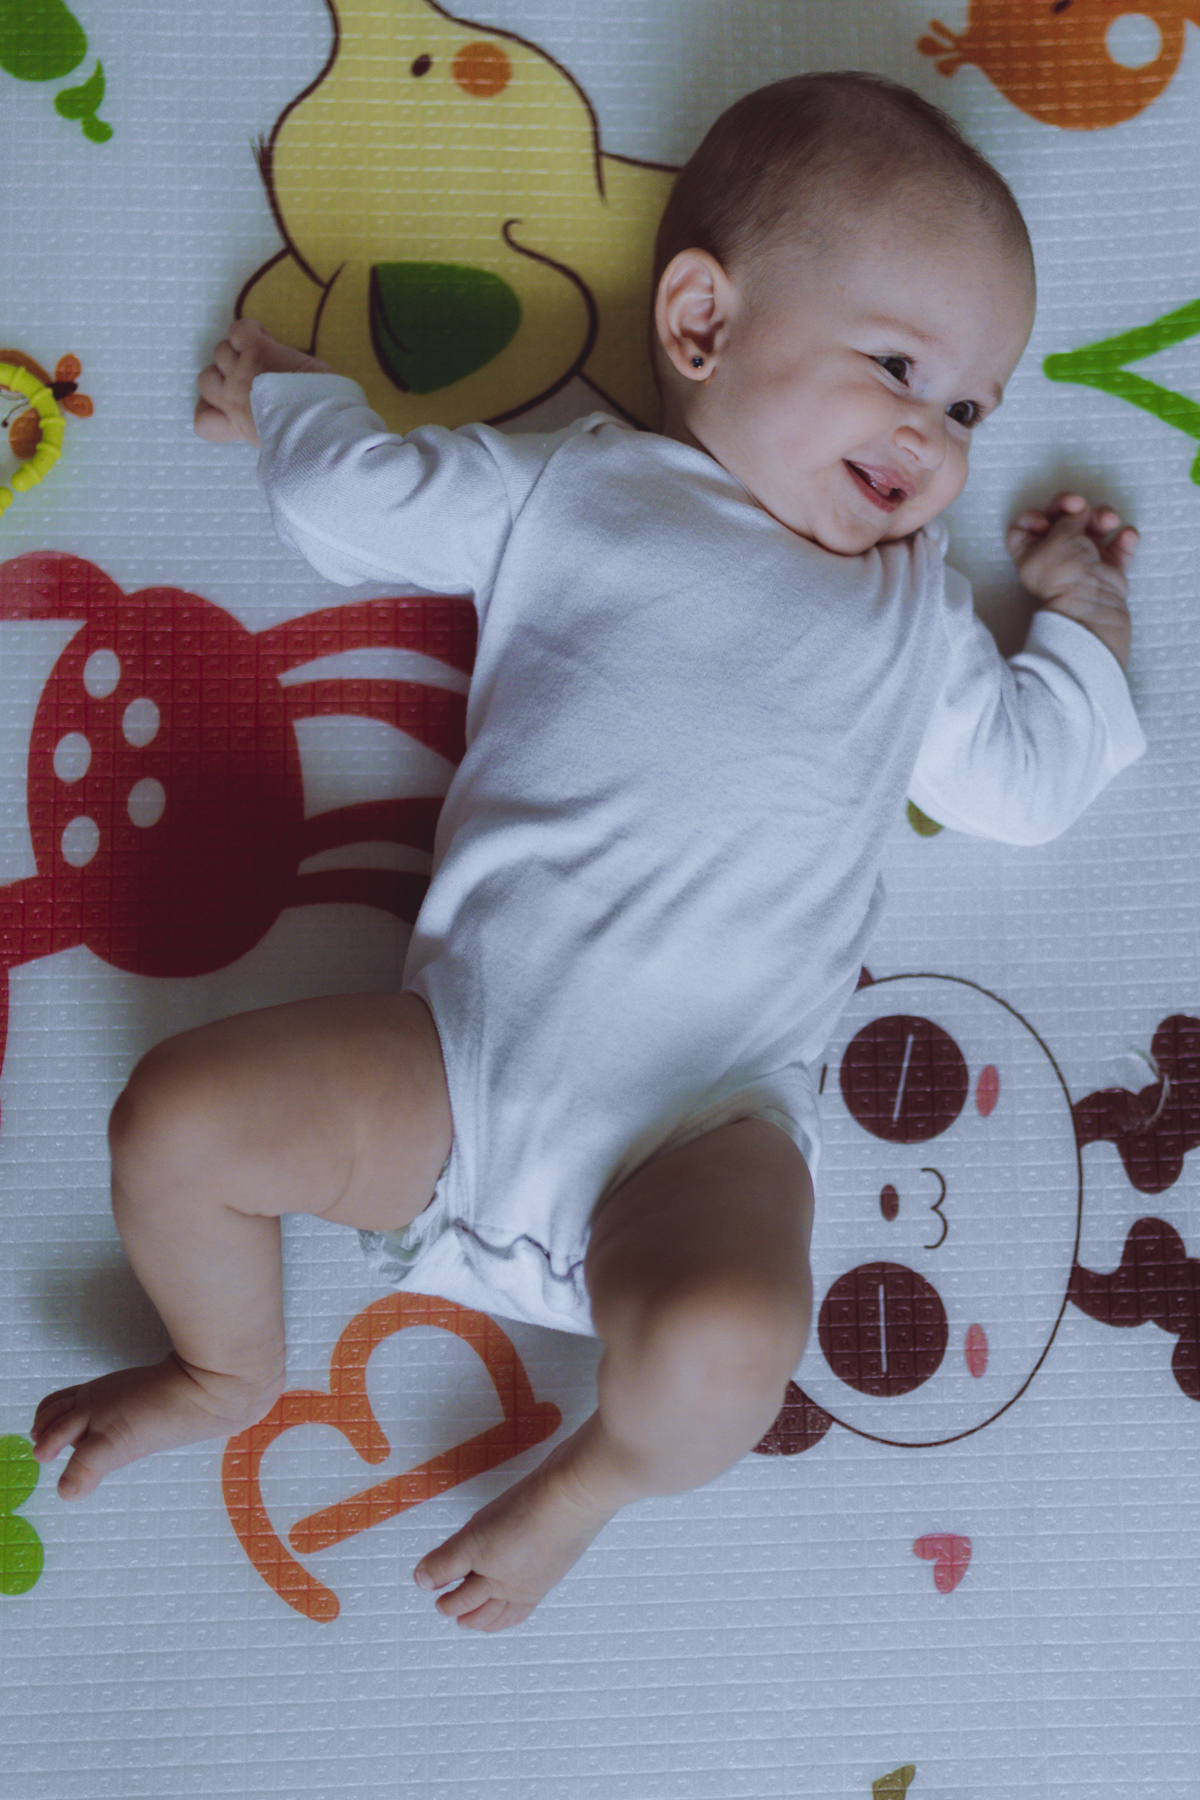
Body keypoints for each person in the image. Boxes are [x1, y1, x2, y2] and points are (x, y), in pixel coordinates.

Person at [31, 72, 1144, 1631]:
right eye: (897, 367)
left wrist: (1081, 622)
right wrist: (287, 406)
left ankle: (594, 1480)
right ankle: (227, 1364)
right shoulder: (587, 489)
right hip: (454, 1076)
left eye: (969, 409)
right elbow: (381, 497)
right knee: (175, 1124)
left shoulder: (910, 619)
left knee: (730, 1341)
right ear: (701, 326)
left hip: (697, 1137)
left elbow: (1030, 780)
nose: (933, 435)